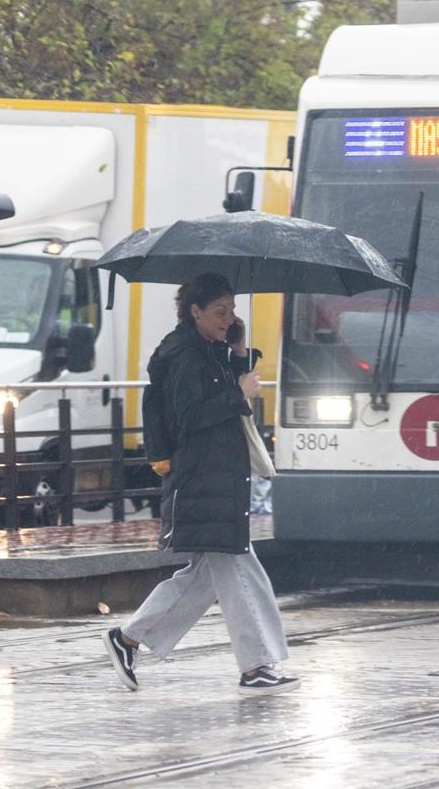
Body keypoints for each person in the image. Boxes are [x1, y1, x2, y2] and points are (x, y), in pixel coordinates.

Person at [102, 272, 299, 697]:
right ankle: (256, 666)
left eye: (231, 310)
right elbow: (189, 417)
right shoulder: (183, 355)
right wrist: (238, 393)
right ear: (194, 311)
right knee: (242, 572)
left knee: (206, 577)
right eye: (218, 312)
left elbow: (220, 388)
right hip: (202, 480)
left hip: (219, 478)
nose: (227, 318)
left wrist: (240, 351)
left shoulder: (207, 351)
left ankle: (128, 638)